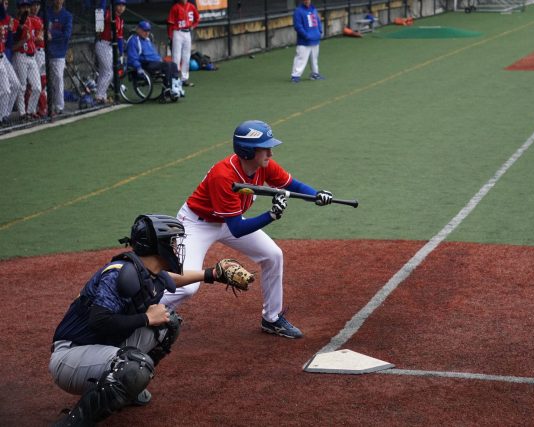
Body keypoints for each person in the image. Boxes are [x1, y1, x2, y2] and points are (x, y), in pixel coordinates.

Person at [49, 214, 249, 426]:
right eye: (172, 242)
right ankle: (72, 423)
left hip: (100, 346)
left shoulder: (145, 271)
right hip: (70, 357)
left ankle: (126, 387)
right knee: (133, 365)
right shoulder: (117, 275)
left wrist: (212, 274)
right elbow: (98, 321)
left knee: (168, 323)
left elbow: (170, 279)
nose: (176, 247)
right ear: (158, 245)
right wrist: (146, 318)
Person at [159, 120, 334, 339]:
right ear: (248, 151)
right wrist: (270, 216)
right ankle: (145, 311)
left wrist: (316, 195)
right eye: (265, 148)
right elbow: (238, 228)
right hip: (196, 224)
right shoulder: (223, 176)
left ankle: (272, 318)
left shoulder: (264, 165)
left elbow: (292, 185)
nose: (270, 152)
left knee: (273, 255)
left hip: (227, 220)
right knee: (186, 287)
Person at [126, 20, 183, 99]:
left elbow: (153, 54)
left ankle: (175, 86)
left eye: (148, 31)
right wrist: (138, 67)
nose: (147, 33)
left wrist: (160, 59)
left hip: (154, 62)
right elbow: (132, 57)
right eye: (144, 31)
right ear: (138, 29)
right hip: (145, 65)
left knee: (173, 65)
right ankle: (167, 89)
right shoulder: (133, 41)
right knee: (167, 65)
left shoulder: (147, 40)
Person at [11, 0, 41, 120]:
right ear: (19, 8)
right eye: (23, 7)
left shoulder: (32, 20)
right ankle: (23, 113)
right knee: (22, 86)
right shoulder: (14, 23)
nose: (26, 9)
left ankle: (30, 110)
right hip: (20, 56)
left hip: (32, 56)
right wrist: (23, 39)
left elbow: (40, 31)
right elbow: (12, 45)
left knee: (37, 87)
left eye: (28, 6)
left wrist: (37, 36)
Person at [94, 0, 126, 104]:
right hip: (102, 43)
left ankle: (102, 96)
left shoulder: (120, 20)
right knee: (109, 72)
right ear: (114, 5)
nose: (121, 7)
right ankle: (99, 96)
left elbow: (120, 38)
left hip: (110, 47)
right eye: (119, 5)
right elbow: (100, 14)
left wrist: (120, 53)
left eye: (123, 5)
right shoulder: (108, 13)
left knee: (104, 72)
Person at [46, 0, 72, 115]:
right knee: (43, 80)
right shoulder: (47, 13)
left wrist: (52, 35)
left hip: (59, 52)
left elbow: (66, 34)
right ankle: (45, 107)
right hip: (45, 51)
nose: (58, 1)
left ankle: (59, 106)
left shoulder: (67, 16)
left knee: (58, 79)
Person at [167, 0, 199, 88]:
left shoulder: (191, 6)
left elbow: (197, 18)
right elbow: (170, 23)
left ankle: (184, 79)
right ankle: (175, 78)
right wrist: (170, 36)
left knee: (186, 56)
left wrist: (193, 26)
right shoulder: (175, 7)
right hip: (177, 32)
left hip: (187, 33)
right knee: (176, 56)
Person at [290, 0, 324, 83]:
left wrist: (319, 31)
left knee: (314, 58)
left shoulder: (313, 9)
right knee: (301, 58)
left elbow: (318, 21)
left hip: (315, 39)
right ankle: (295, 76)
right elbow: (298, 26)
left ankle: (315, 74)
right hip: (304, 41)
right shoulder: (298, 11)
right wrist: (306, 35)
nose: (307, 1)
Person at [0, 0, 20, 124]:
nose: (4, 6)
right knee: (5, 90)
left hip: (3, 57)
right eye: (2, 3)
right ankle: (1, 118)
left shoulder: (8, 19)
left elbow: (10, 43)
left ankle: (5, 115)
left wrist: (12, 31)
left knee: (16, 85)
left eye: (6, 3)